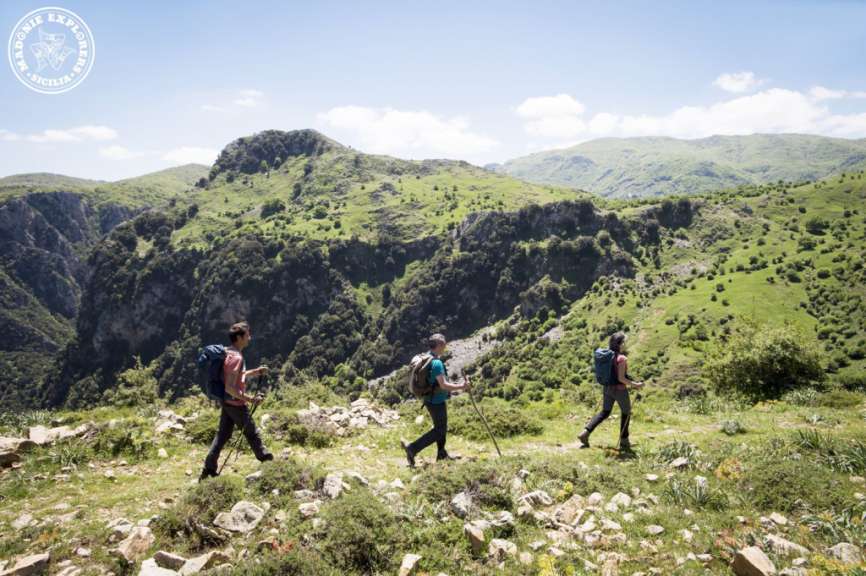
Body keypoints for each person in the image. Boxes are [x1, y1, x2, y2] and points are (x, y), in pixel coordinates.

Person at [200, 321, 273, 480]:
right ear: (239, 337)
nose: (250, 338)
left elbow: (237, 376)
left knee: (223, 435)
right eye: (247, 335)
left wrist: (256, 371)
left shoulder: (229, 353)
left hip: (227, 402)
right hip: (235, 403)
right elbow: (230, 387)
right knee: (252, 433)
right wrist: (250, 399)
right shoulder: (236, 358)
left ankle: (208, 469)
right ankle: (267, 461)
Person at [402, 333, 470, 467]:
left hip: (429, 398)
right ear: (438, 345)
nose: (445, 346)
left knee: (441, 427)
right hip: (436, 401)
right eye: (444, 344)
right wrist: (462, 386)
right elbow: (443, 385)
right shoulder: (437, 363)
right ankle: (412, 448)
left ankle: (441, 453)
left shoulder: (426, 357)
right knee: (439, 430)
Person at [578, 331, 644, 451]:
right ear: (621, 344)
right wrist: (636, 385)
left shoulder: (608, 355)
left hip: (607, 388)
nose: (626, 344)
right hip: (620, 390)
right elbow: (621, 378)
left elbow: (618, 374)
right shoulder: (621, 358)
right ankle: (624, 442)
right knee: (626, 412)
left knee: (605, 412)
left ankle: (585, 433)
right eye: (625, 342)